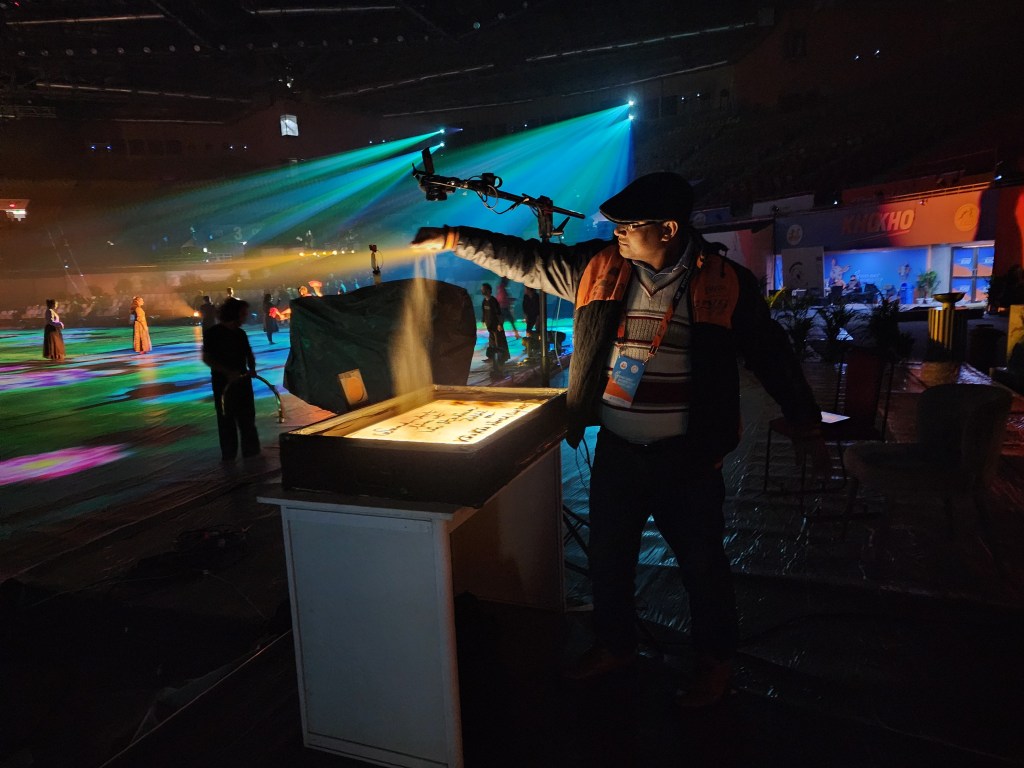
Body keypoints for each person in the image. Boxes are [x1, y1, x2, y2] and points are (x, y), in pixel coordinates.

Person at [411, 171, 827, 707]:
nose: (618, 233)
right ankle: (615, 646)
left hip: (689, 460)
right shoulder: (598, 267)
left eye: (630, 225)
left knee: (703, 567)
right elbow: (526, 259)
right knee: (609, 560)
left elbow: (772, 355)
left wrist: (806, 421)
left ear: (669, 229)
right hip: (618, 453)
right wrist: (454, 238)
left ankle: (714, 662)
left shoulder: (727, 283)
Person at [202, 297, 261, 460]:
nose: (245, 317)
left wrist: (252, 368)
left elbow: (248, 353)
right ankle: (229, 454)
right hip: (223, 383)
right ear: (234, 314)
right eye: (243, 314)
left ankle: (251, 452)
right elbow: (207, 358)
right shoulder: (213, 334)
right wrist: (227, 372)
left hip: (242, 380)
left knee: (247, 417)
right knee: (226, 419)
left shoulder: (240, 334)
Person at [480, 282, 509, 378]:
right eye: (482, 289)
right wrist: (483, 320)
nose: (482, 291)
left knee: (498, 344)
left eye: (484, 289)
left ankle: (501, 360)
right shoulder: (484, 302)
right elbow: (484, 312)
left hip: (496, 327)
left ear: (488, 290)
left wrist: (500, 324)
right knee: (492, 342)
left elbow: (498, 313)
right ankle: (492, 357)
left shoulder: (493, 301)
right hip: (490, 327)